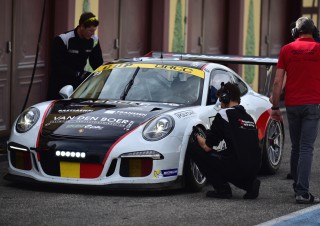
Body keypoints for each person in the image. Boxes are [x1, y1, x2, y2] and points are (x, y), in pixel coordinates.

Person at [271, 17, 320, 204]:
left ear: (295, 32)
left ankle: (296, 187)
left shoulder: (287, 49)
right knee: (307, 147)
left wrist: (275, 106)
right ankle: (302, 192)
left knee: (296, 146)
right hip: (313, 104)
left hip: (292, 104)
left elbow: (277, 82)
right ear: (313, 32)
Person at [191, 82, 261, 199]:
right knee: (231, 154)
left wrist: (198, 137)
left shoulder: (224, 114)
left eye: (220, 99)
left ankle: (222, 189)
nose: (220, 103)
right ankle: (250, 185)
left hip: (238, 168)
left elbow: (207, 146)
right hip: (254, 169)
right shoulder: (248, 117)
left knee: (195, 149)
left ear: (225, 97)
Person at [48, 12, 103, 99]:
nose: (92, 33)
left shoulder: (93, 40)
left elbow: (97, 63)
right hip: (59, 82)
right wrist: (77, 74)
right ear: (81, 27)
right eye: (90, 31)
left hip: (77, 84)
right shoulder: (63, 39)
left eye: (94, 30)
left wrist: (100, 75)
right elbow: (56, 65)